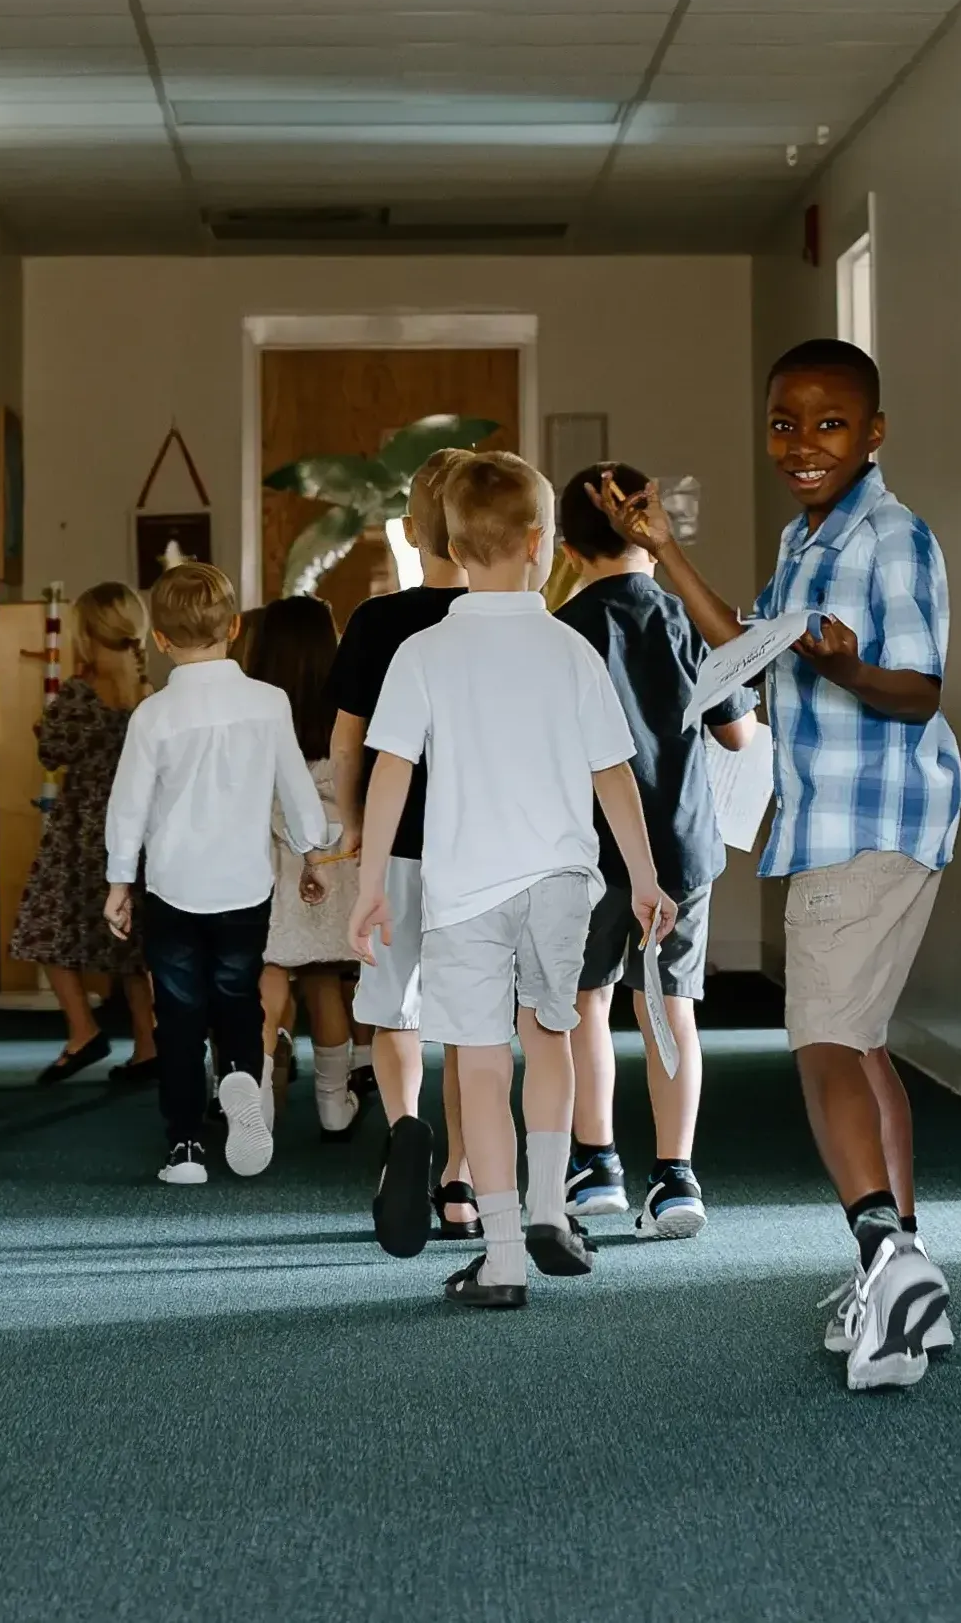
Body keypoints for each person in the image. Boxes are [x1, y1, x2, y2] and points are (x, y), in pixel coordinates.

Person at [591, 339, 961, 1390]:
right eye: (784, 424)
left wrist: (847, 665)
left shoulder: (893, 538)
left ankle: (886, 1258)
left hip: (864, 819)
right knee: (865, 1046)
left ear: (875, 432)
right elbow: (744, 649)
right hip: (841, 822)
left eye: (830, 423)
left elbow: (922, 689)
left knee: (823, 1049)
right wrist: (665, 550)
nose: (803, 444)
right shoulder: (810, 538)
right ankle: (906, 1268)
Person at [349, 451, 675, 1310]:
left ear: (451, 543)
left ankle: (500, 1256)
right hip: (563, 882)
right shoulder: (569, 645)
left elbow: (389, 770)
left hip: (465, 891)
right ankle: (545, 1206)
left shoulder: (423, 651)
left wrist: (371, 881)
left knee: (481, 1065)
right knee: (552, 1038)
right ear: (540, 544)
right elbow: (614, 773)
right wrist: (642, 876)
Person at [554, 462, 758, 1239]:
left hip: (589, 846)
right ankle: (675, 1178)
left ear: (568, 551)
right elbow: (736, 732)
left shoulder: (564, 630)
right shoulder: (682, 621)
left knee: (586, 1003)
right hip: (679, 843)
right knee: (670, 1008)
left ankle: (595, 1161)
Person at [104, 562, 338, 1185]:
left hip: (175, 887)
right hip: (245, 885)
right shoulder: (269, 703)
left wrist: (119, 881)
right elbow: (295, 791)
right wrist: (312, 853)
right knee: (239, 999)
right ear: (234, 627)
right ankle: (242, 1081)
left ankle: (184, 1147)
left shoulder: (152, 715)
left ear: (158, 639)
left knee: (177, 1017)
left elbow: (127, 806)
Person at [329, 448, 475, 1257]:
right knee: (469, 1018)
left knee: (395, 1006)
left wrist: (354, 825)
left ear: (413, 532)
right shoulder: (509, 625)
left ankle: (405, 1132)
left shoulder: (379, 622)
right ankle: (458, 1178)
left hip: (400, 845)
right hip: (485, 849)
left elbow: (348, 742)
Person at [9, 582, 159, 1086]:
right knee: (131, 948)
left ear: (89, 636)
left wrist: (40, 725)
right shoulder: (149, 696)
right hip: (135, 834)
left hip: (80, 833)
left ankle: (82, 1030)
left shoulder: (80, 693)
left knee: (43, 927)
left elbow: (51, 749)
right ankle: (148, 1045)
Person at [248, 595, 363, 1140]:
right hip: (333, 861)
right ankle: (333, 1105)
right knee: (324, 984)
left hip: (269, 859)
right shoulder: (344, 709)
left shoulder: (255, 708)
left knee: (268, 979)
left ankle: (262, 1103)